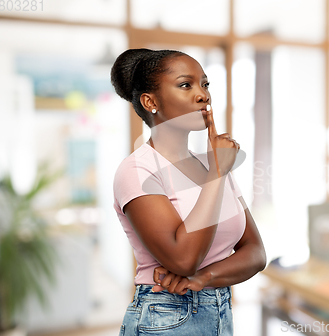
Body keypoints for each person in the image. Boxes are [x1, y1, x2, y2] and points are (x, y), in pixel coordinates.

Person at [110, 48, 267, 335]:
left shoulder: (213, 165)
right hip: (164, 317)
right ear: (150, 101)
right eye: (186, 85)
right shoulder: (137, 171)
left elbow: (256, 253)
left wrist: (204, 277)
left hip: (219, 312)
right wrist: (218, 174)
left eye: (205, 84)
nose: (203, 95)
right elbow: (183, 259)